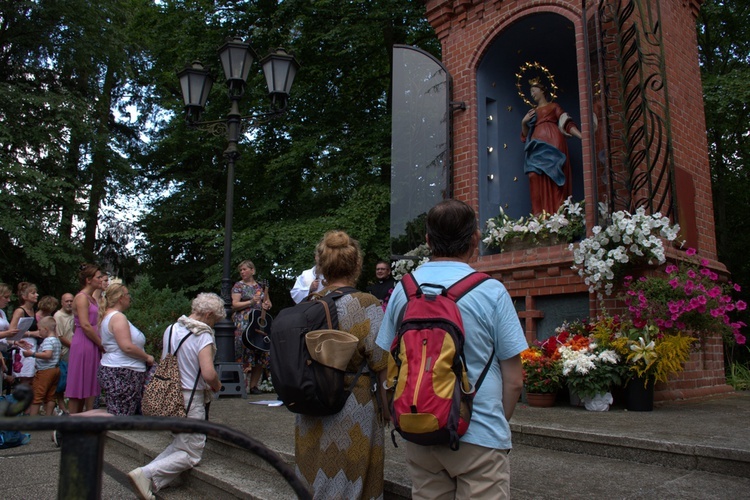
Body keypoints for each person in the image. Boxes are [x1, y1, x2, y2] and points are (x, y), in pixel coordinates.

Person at [376, 199, 526, 499]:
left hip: (420, 429)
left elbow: (385, 365)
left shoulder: (404, 289)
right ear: (475, 238)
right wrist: (493, 423)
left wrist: (395, 414)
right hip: (478, 434)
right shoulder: (491, 290)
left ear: (428, 240)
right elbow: (515, 380)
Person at [294, 230, 390, 499]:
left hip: (311, 404)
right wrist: (388, 409)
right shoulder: (367, 304)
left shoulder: (309, 305)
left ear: (321, 266)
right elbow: (381, 362)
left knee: (315, 480)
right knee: (353, 484)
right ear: (356, 264)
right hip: (354, 407)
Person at [127, 292, 224, 500]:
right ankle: (145, 474)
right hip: (190, 397)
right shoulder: (203, 335)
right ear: (208, 314)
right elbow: (207, 373)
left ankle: (150, 481)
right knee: (191, 453)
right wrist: (217, 385)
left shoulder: (172, 328)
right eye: (215, 319)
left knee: (180, 443)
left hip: (169, 394)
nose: (214, 324)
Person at [521, 78, 582, 215]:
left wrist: (582, 136)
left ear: (542, 90)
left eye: (533, 90)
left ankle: (557, 214)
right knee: (533, 175)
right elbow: (525, 135)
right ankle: (538, 215)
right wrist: (524, 122)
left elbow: (566, 122)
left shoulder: (554, 106)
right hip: (536, 146)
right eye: (530, 92)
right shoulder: (533, 112)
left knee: (554, 176)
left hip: (553, 142)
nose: (532, 94)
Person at [98, 283, 155, 415]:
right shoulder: (118, 317)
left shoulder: (108, 316)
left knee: (117, 414)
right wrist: (147, 357)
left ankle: (70, 420)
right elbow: (127, 347)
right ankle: (70, 422)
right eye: (128, 294)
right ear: (120, 298)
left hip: (121, 369)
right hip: (122, 371)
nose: (130, 298)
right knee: (118, 416)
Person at [66, 263, 105, 414]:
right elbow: (85, 325)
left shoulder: (92, 298)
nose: (101, 279)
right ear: (89, 280)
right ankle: (70, 425)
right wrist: (101, 344)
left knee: (88, 384)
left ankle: (83, 421)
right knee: (78, 384)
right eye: (98, 277)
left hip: (92, 342)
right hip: (84, 342)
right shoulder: (81, 298)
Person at [231, 260, 272, 394]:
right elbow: (235, 304)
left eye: (244, 269)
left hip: (258, 323)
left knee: (260, 350)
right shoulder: (238, 286)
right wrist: (250, 302)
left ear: (252, 271)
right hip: (243, 321)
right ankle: (242, 384)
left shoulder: (260, 287)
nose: (242, 272)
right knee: (243, 351)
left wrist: (267, 305)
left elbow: (267, 302)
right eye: (241, 270)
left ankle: (254, 386)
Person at [20, 316, 61, 416]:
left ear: (46, 330)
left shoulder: (47, 341)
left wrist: (32, 354)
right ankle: (48, 417)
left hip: (45, 371)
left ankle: (33, 420)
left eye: (40, 330)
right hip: (55, 369)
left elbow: (47, 354)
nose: (39, 332)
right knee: (51, 395)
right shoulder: (57, 340)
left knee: (37, 394)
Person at [9, 282, 41, 388]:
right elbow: (12, 331)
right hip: (23, 345)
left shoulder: (33, 310)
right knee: (25, 378)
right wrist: (32, 333)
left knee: (32, 377)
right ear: (24, 296)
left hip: (33, 346)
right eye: (33, 293)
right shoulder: (20, 311)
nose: (36, 295)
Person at [53, 293, 75, 414]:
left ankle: (70, 407)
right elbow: (60, 336)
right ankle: (62, 407)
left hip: (74, 349)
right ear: (62, 302)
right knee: (63, 380)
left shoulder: (75, 314)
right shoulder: (58, 316)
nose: (69, 303)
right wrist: (75, 346)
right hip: (65, 350)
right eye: (66, 301)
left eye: (71, 301)